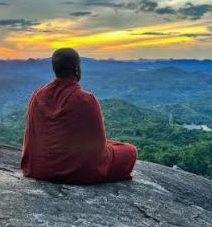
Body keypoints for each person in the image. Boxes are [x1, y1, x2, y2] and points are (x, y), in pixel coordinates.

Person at [21, 48, 137, 184]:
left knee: (110, 144)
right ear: (76, 69)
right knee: (130, 151)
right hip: (78, 173)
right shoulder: (86, 100)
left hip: (39, 169)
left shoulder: (38, 95)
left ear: (55, 69)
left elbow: (31, 139)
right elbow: (99, 151)